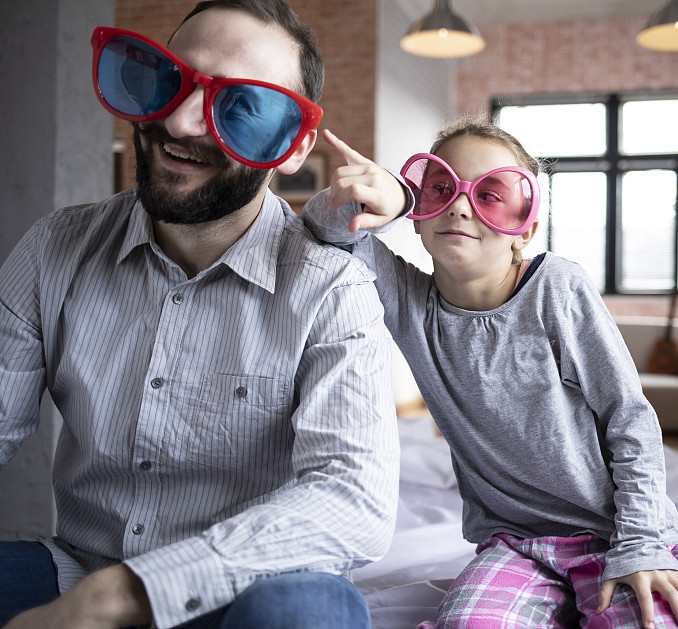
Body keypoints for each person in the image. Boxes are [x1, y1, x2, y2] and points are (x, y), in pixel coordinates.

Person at [0, 1, 400, 628]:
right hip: (80, 565)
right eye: (170, 82)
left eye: (240, 106)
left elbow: (351, 501)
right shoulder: (55, 250)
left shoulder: (333, 288)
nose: (180, 122)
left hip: (255, 588)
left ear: (292, 147)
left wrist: (120, 597)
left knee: (306, 615)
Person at [302, 119, 678, 629]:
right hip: (515, 545)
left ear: (525, 229)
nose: (461, 206)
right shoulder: (409, 303)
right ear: (418, 215)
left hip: (616, 532)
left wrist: (642, 542)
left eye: (491, 195)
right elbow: (326, 231)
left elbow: (630, 418)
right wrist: (392, 195)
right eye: (440, 189)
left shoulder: (556, 287)